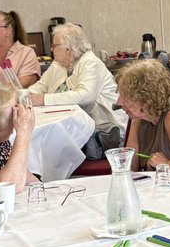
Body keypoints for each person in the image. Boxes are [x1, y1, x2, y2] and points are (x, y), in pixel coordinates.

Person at [26, 23, 125, 158]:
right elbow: (39, 87)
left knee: (48, 150)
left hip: (103, 134)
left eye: (54, 45)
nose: (51, 49)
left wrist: (44, 99)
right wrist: (18, 95)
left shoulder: (91, 63)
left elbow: (85, 96)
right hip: (76, 130)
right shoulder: (58, 65)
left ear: (68, 49)